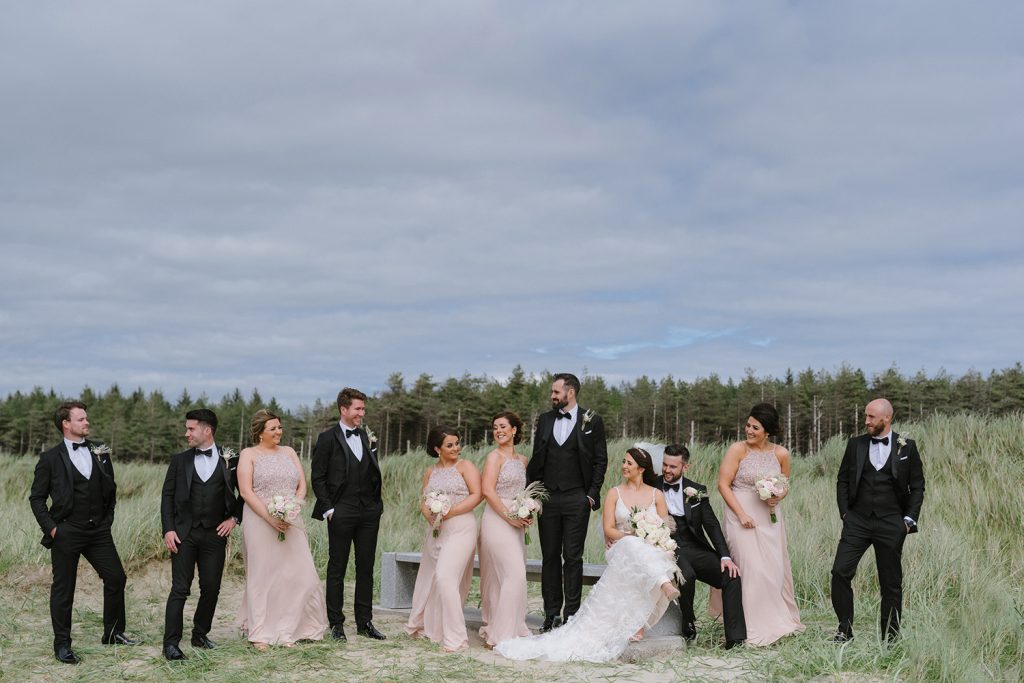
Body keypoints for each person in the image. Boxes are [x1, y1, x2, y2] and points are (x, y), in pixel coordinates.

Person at [496, 448, 680, 662]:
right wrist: (631, 534)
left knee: (648, 554)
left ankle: (639, 623)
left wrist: (649, 536)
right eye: (623, 461)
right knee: (632, 543)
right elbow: (609, 529)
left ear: (641, 468)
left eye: (629, 463)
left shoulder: (656, 494)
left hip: (647, 550)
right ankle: (663, 583)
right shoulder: (614, 492)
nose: (624, 466)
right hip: (620, 548)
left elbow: (665, 527)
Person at [28, 401, 141, 665]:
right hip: (67, 531)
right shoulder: (50, 459)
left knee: (116, 578)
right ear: (66, 424)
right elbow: (36, 498)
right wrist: (53, 529)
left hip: (98, 531)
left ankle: (113, 633)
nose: (87, 423)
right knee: (64, 589)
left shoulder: (100, 452)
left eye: (86, 418)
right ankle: (62, 645)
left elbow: (110, 489)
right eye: (81, 419)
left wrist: (107, 520)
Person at [831, 398, 925, 642]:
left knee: (891, 583)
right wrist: (845, 513)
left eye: (871, 417)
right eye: (866, 416)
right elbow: (842, 480)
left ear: (887, 418)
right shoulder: (855, 445)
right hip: (857, 521)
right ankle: (844, 630)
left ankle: (890, 639)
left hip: (891, 522)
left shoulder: (907, 447)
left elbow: (917, 486)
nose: (866, 421)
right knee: (840, 572)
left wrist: (908, 520)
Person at [236, 409, 327, 649]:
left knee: (301, 575)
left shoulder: (289, 452)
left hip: (291, 519)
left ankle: (288, 629)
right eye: (273, 429)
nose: (279, 432)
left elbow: (302, 485)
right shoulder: (248, 455)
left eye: (279, 427)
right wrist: (271, 517)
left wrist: (293, 508)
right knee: (263, 576)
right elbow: (246, 492)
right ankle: (259, 633)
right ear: (259, 433)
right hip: (259, 520)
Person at [715, 403, 804, 646]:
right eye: (748, 425)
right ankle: (747, 627)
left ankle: (774, 620)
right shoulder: (737, 450)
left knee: (772, 570)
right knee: (749, 568)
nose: (749, 431)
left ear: (767, 431)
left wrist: (779, 495)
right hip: (739, 514)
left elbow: (785, 483)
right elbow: (723, 484)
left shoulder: (781, 454)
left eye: (756, 427)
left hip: (769, 517)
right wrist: (741, 514)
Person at [526, 372, 608, 632]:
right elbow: (537, 456)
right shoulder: (545, 419)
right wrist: (533, 493)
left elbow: (600, 460)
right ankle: (551, 615)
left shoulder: (593, 421)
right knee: (549, 557)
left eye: (556, 392)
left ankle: (572, 616)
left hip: (576, 498)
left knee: (573, 557)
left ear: (570, 392)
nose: (552, 396)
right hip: (548, 498)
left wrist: (591, 495)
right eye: (552, 392)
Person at [160, 408, 243, 661]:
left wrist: (234, 519)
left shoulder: (232, 459)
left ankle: (200, 634)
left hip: (215, 535)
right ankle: (171, 643)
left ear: (207, 430)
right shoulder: (180, 460)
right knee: (180, 589)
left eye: (191, 429)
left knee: (211, 588)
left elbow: (246, 494)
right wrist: (168, 529)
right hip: (184, 535)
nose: (187, 433)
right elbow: (167, 497)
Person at [311, 387, 385, 642]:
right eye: (358, 409)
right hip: (341, 511)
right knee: (337, 568)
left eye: (363, 409)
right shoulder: (327, 438)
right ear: (344, 409)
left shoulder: (366, 436)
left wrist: (376, 505)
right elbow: (318, 477)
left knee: (365, 567)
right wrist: (329, 509)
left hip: (368, 512)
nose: (362, 414)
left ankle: (365, 622)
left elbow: (372, 471)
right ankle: (336, 625)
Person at [659, 444, 746, 649]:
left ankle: (735, 639)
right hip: (668, 547)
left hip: (695, 546)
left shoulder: (696, 490)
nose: (667, 470)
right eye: (664, 464)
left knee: (731, 576)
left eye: (673, 466)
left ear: (685, 467)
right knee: (686, 574)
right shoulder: (651, 486)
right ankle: (688, 623)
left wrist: (725, 556)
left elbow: (712, 525)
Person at [405, 426, 482, 652]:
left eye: (457, 443)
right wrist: (427, 512)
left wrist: (450, 512)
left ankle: (457, 639)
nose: (456, 448)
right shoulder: (430, 471)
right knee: (429, 577)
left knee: (445, 577)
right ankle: (433, 627)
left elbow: (478, 495)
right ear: (437, 448)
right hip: (436, 530)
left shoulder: (465, 466)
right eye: (450, 445)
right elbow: (423, 499)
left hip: (461, 528)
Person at [477, 411, 531, 649]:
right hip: (497, 520)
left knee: (506, 578)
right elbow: (488, 491)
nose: (498, 431)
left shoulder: (523, 461)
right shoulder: (493, 457)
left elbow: (526, 493)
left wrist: (527, 511)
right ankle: (499, 634)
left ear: (514, 430)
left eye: (502, 427)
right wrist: (509, 516)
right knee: (515, 575)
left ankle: (510, 627)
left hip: (517, 523)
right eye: (495, 427)